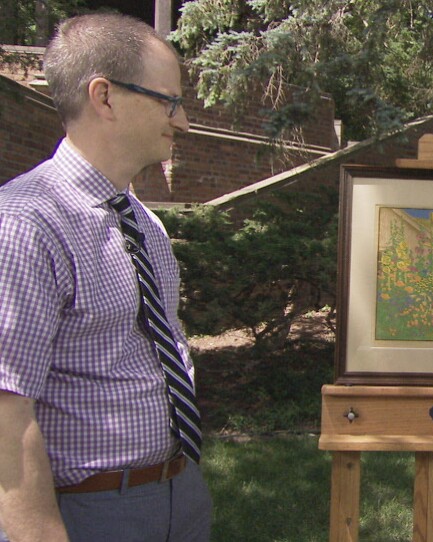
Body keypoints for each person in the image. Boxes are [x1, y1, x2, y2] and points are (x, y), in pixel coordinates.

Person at [0, 13, 211, 542]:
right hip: (87, 512)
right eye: (170, 100)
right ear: (106, 96)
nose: (181, 122)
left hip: (179, 492)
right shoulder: (26, 223)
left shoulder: (145, 225)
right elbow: (6, 410)